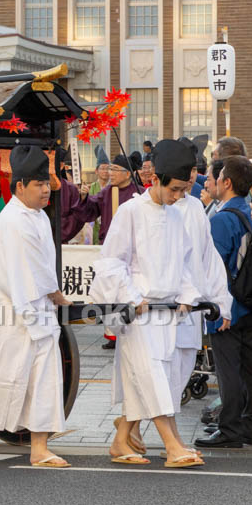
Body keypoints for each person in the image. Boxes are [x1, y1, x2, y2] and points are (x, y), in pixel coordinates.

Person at [0, 145, 71, 467]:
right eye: (39, 184)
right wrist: (54, 295)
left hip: (33, 305)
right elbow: (21, 272)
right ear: (19, 186)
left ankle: (39, 447)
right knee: (2, 376)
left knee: (43, 377)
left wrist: (51, 294)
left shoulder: (37, 217)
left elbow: (42, 267)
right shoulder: (14, 221)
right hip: (8, 310)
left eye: (47, 182)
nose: (46, 189)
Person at [91, 139, 205, 468]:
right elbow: (111, 262)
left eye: (185, 190)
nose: (180, 196)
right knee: (151, 377)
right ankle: (172, 447)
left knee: (158, 379)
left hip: (168, 313)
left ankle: (120, 441)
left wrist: (187, 297)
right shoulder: (130, 212)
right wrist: (131, 297)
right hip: (140, 313)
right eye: (176, 189)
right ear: (155, 179)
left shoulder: (175, 216)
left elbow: (185, 263)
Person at [195, 156, 252, 449]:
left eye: (219, 175)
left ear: (227, 182)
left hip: (228, 305)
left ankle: (230, 429)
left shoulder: (223, 219)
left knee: (228, 370)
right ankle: (251, 426)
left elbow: (214, 266)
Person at [172, 140, 233, 436]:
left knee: (182, 367)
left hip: (191, 310)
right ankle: (166, 439)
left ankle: (130, 433)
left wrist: (221, 302)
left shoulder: (196, 207)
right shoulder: (139, 210)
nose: (190, 181)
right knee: (157, 378)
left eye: (193, 174)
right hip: (159, 310)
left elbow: (208, 259)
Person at [61, 154, 141, 245]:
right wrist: (84, 197)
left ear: (127, 174)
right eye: (111, 169)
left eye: (115, 169)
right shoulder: (107, 192)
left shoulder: (140, 193)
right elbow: (91, 207)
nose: (110, 173)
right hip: (108, 243)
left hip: (133, 244)